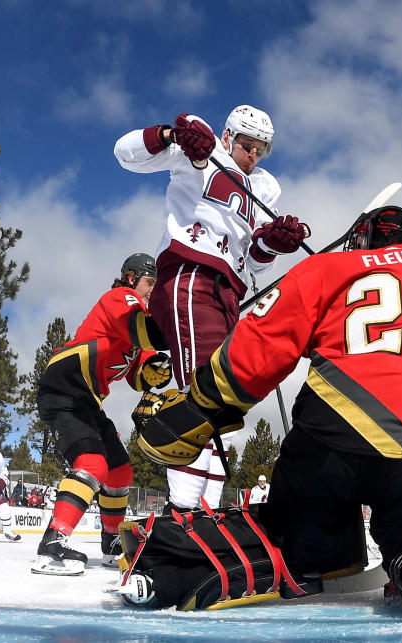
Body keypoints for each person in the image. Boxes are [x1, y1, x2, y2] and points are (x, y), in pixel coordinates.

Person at [135, 206, 402, 613]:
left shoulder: (327, 267)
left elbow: (259, 347)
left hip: (337, 432)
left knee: (299, 531)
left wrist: (202, 406)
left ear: (360, 239)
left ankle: (311, 561)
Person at [115, 105, 310, 512]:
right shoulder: (202, 152)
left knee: (221, 403)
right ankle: (181, 515)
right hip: (191, 274)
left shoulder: (267, 188)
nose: (252, 155)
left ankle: (209, 514)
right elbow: (125, 153)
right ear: (228, 137)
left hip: (229, 294)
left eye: (261, 150)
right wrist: (169, 135)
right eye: (247, 145)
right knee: (199, 395)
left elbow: (257, 261)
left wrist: (275, 240)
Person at [31, 253, 169, 576]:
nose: (153, 290)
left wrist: (154, 372)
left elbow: (138, 371)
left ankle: (110, 544)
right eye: (151, 283)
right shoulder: (121, 297)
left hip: (87, 398)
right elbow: (145, 331)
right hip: (65, 386)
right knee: (93, 464)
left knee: (120, 472)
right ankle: (51, 545)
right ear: (132, 277)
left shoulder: (138, 316)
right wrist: (174, 327)